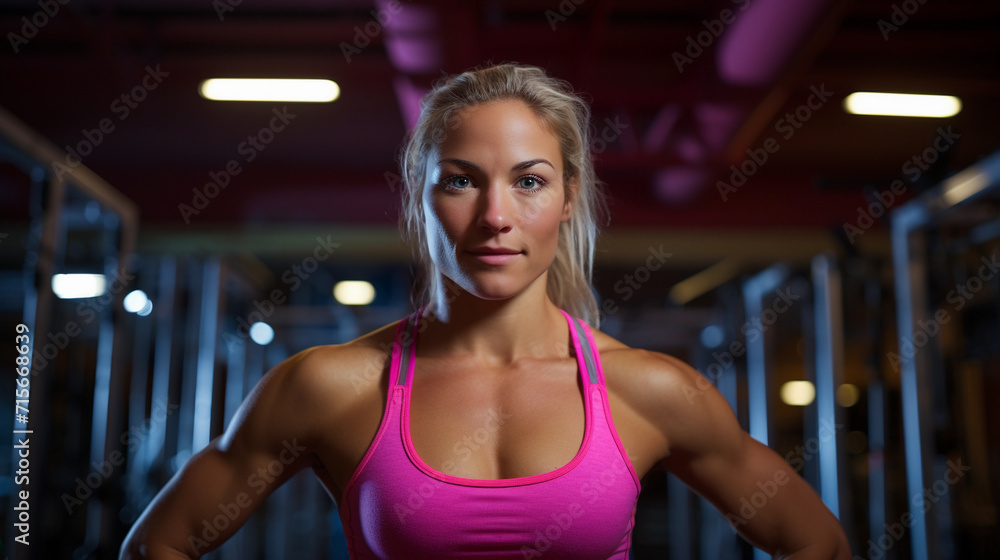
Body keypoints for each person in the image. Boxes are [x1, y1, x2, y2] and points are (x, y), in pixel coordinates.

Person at [120, 62, 850, 559]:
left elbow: (817, 541)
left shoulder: (649, 391)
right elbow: (160, 543)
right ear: (421, 199)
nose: (496, 216)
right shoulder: (330, 387)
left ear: (567, 201)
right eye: (462, 181)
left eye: (529, 182)